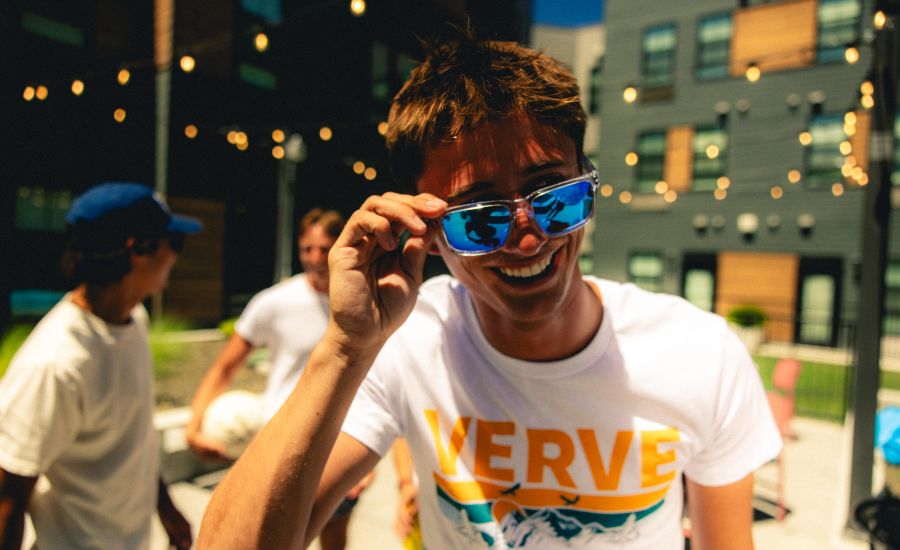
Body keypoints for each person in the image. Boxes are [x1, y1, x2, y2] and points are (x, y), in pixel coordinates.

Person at [198, 31, 782, 549]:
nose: (528, 241)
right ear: (424, 230)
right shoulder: (409, 342)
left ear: (590, 185)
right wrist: (347, 346)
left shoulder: (701, 353)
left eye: (556, 198)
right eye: (480, 219)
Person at [0, 182, 200, 549]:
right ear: (137, 249)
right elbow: (7, 497)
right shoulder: (56, 364)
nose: (176, 255)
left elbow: (132, 437)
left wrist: (165, 508)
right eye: (175, 243)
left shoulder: (133, 320)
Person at [185, 208, 371, 550]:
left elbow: (377, 383)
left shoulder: (365, 304)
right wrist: (195, 426)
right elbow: (225, 367)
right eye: (306, 249)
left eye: (324, 248)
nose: (315, 258)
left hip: (339, 447)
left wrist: (366, 459)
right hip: (279, 444)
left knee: (334, 541)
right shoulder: (274, 302)